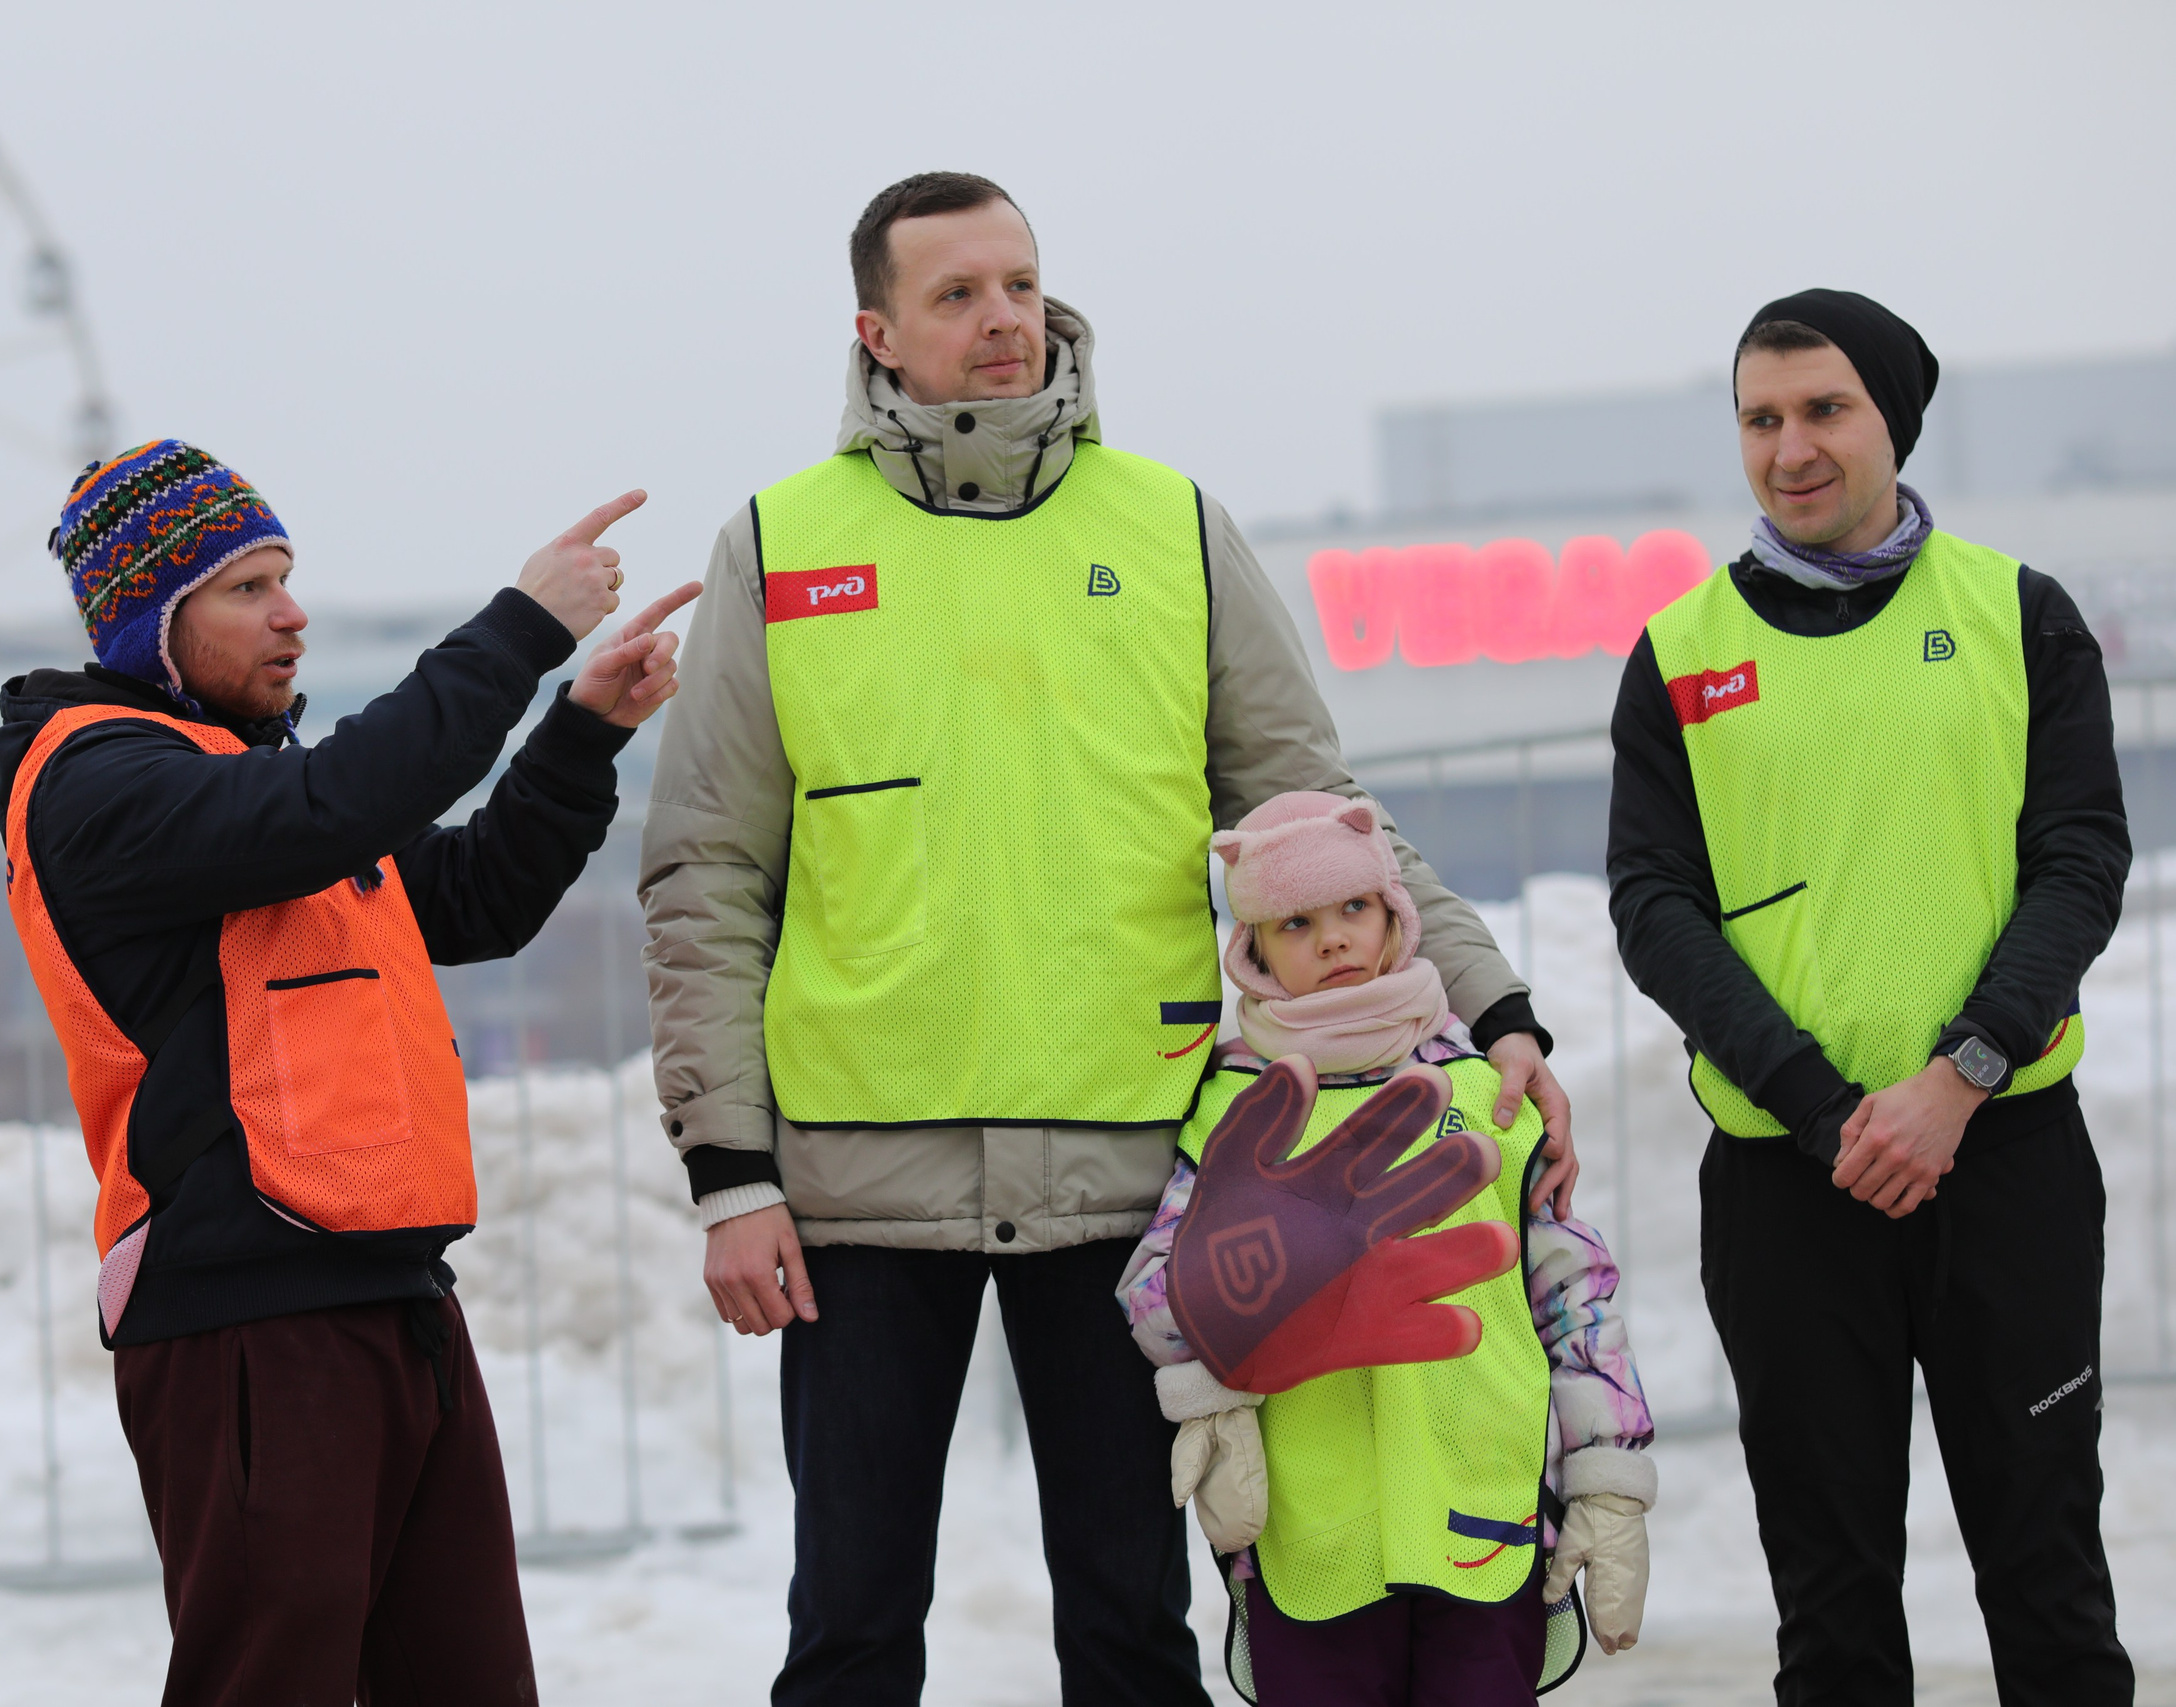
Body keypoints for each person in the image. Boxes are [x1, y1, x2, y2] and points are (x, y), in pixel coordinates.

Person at [640, 170, 1576, 1706]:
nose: (1004, 318)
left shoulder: (1167, 524)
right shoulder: (780, 542)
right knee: (852, 1634)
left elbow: (1316, 808)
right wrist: (730, 1173)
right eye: (957, 295)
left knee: (1135, 1635)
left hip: (1133, 1181)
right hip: (859, 1188)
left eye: (1020, 283)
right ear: (877, 331)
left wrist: (1492, 1000)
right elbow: (705, 878)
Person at [0, 439, 693, 1706]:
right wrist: (523, 627)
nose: (293, 613)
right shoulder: (93, 782)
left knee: (468, 1679)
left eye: (288, 579)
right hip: (242, 1318)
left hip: (394, 1295)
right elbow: (337, 807)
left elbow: (472, 895)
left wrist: (579, 736)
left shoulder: (246, 784)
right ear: (152, 621)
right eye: (249, 588)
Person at [1608, 290, 2134, 1704]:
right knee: (1831, 1614)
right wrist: (1824, 1103)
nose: (1792, 447)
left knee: (2049, 1587)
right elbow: (1654, 905)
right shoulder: (1678, 653)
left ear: (1893, 417)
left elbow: (2079, 863)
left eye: (1825, 409)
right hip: (1793, 1181)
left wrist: (1959, 1072)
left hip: (2004, 1159)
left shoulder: (2019, 617)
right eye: (1761, 417)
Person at [1117, 792, 1653, 1704]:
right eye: (1296, 921)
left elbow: (1576, 1293)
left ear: (1395, 916)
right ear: (1251, 945)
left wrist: (1608, 1476)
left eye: (1353, 909)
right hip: (1315, 1523)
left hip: (1481, 1503)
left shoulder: (1488, 1093)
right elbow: (1157, 1291)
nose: (1332, 940)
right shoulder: (1231, 1111)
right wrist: (1217, 1386)